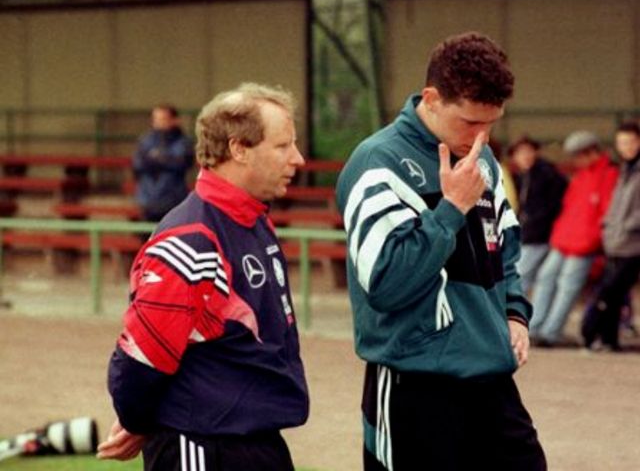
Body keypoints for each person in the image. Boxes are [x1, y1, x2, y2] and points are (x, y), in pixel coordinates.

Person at [336, 32, 546, 470]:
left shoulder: (483, 160)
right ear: (431, 99)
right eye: (469, 122)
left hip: (492, 381)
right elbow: (386, 286)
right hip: (415, 385)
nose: (481, 137)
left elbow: (505, 252)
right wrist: (451, 210)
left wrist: (514, 313)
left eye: (491, 123)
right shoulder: (377, 162)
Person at [98, 83, 309, 470]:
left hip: (255, 441)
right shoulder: (192, 240)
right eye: (283, 146)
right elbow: (140, 360)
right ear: (238, 149)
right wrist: (137, 420)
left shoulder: (253, 220)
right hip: (202, 446)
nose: (297, 158)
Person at [528, 131, 618, 347]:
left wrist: (593, 240)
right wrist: (559, 234)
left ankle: (550, 332)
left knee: (568, 285)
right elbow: (568, 207)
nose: (575, 161)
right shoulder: (582, 175)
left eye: (578, 156)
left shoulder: (609, 174)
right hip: (564, 239)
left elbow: (607, 212)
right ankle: (534, 327)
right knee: (546, 277)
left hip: (584, 243)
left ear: (591, 152)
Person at [581, 121, 640, 351]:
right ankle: (609, 340)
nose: (627, 147)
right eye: (622, 142)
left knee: (609, 291)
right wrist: (608, 227)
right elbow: (616, 204)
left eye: (631, 142)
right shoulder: (625, 170)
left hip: (633, 243)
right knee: (615, 294)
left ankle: (591, 333)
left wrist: (626, 226)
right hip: (616, 241)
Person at [510, 136, 567, 293]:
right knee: (528, 278)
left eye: (529, 151)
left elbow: (552, 208)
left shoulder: (546, 174)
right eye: (520, 153)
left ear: (536, 152)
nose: (525, 156)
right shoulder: (523, 176)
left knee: (519, 276)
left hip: (539, 237)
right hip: (528, 235)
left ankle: (511, 307)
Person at [133, 104, 195, 222]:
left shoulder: (183, 142)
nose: (158, 123)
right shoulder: (145, 140)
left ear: (175, 120)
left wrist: (155, 159)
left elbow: (181, 163)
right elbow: (138, 164)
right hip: (148, 201)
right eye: (155, 119)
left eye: (163, 119)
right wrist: (164, 160)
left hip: (173, 200)